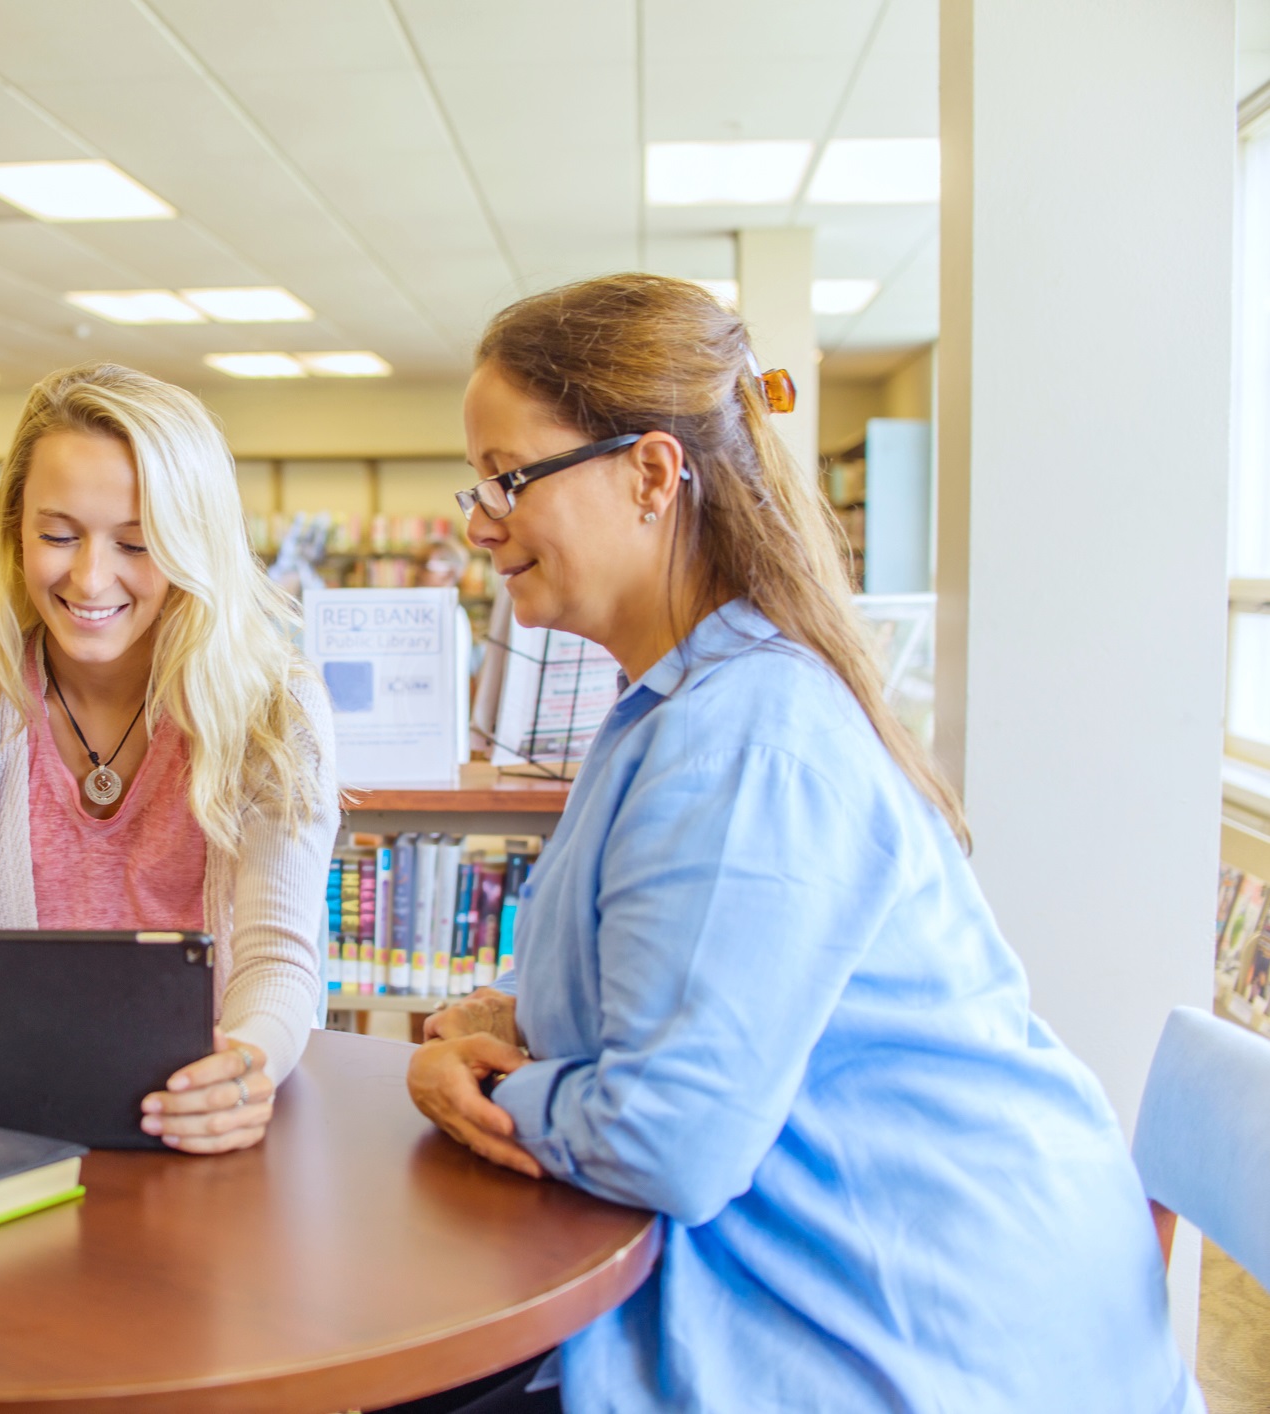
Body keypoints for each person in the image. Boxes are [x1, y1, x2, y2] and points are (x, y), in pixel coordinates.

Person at [399, 275, 1196, 1413]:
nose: (479, 523)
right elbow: (681, 992)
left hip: (933, 1337)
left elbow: (667, 1137)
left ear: (650, 474)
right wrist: (518, 1021)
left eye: (505, 479)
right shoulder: (697, 701)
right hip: (905, 1280)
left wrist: (468, 1088)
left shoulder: (742, 735)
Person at [0, 364, 336, 1154]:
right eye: (57, 535)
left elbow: (278, 954)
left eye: (136, 542)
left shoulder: (273, 708)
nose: (89, 578)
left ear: (194, 545)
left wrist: (241, 1068)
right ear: (14, 532)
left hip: (206, 1122)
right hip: (1, 1124)